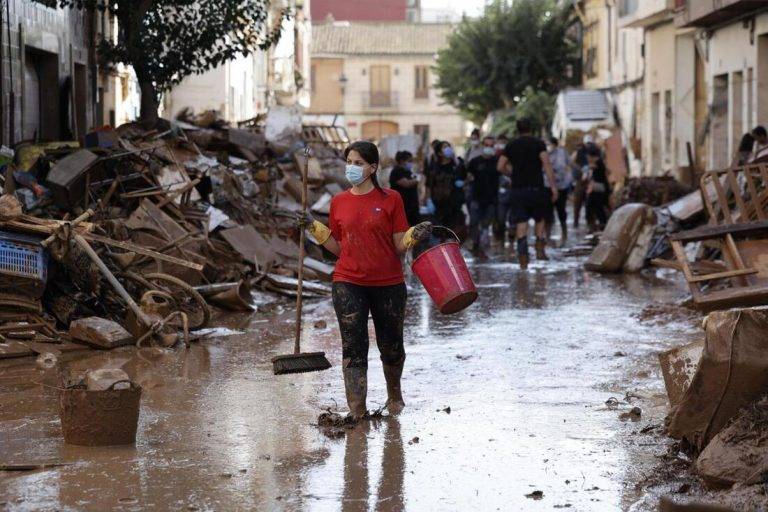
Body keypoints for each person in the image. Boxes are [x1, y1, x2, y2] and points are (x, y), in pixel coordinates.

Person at [299, 141, 432, 420]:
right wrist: (314, 227)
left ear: (372, 168)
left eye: (358, 163)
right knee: (353, 346)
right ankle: (357, 410)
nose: (352, 167)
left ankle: (394, 396)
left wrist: (412, 236)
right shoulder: (339, 202)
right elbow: (337, 248)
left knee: (391, 345)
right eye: (349, 161)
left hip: (388, 283)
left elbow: (398, 245)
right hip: (348, 281)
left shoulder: (391, 199)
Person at [497, 119, 558, 269]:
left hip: (518, 190)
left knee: (521, 223)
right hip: (536, 188)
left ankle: (523, 258)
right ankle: (539, 245)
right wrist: (553, 186)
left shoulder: (511, 145)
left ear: (517, 129)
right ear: (531, 128)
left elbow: (500, 166)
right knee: (540, 219)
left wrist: (511, 174)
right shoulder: (538, 144)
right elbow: (547, 164)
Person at [466, 136, 500, 260]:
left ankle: (482, 249)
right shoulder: (475, 162)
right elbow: (468, 176)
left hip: (491, 199)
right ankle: (476, 246)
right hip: (476, 198)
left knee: (486, 225)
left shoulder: (497, 161)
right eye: (486, 145)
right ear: (482, 146)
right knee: (474, 223)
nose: (489, 148)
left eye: (491, 146)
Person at [426, 141, 467, 239]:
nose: (448, 148)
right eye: (445, 147)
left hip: (454, 203)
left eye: (449, 146)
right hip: (439, 203)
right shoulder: (435, 167)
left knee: (455, 231)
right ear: (439, 152)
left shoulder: (457, 165)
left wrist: (462, 183)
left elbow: (466, 178)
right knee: (440, 231)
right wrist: (428, 199)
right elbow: (429, 184)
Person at [545, 137, 573, 245]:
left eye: (549, 144)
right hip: (547, 185)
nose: (548, 146)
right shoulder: (544, 154)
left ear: (555, 144)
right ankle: (547, 236)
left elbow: (569, 165)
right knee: (547, 211)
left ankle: (564, 234)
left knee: (561, 210)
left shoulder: (562, 153)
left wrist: (571, 178)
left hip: (562, 186)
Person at [389, 151, 421, 226]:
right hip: (403, 206)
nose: (411, 163)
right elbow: (407, 184)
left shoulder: (408, 171)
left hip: (412, 206)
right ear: (402, 161)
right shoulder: (396, 171)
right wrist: (417, 179)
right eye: (409, 161)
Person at [584, 145, 610, 232]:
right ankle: (597, 228)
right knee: (597, 209)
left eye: (588, 156)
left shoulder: (597, 164)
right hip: (599, 190)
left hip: (598, 190)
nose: (587, 158)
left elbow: (594, 178)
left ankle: (599, 228)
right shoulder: (598, 163)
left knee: (596, 209)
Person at [570, 135, 594, 228]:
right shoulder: (579, 153)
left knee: (589, 204)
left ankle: (589, 222)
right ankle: (577, 222)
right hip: (581, 181)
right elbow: (571, 162)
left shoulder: (593, 152)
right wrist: (580, 170)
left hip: (589, 181)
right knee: (578, 203)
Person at [493, 133, 512, 241]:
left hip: (512, 194)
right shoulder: (494, 158)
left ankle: (510, 243)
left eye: (504, 143)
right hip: (499, 195)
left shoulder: (513, 158)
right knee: (500, 220)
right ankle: (500, 240)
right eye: (500, 143)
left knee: (513, 220)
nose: (501, 145)